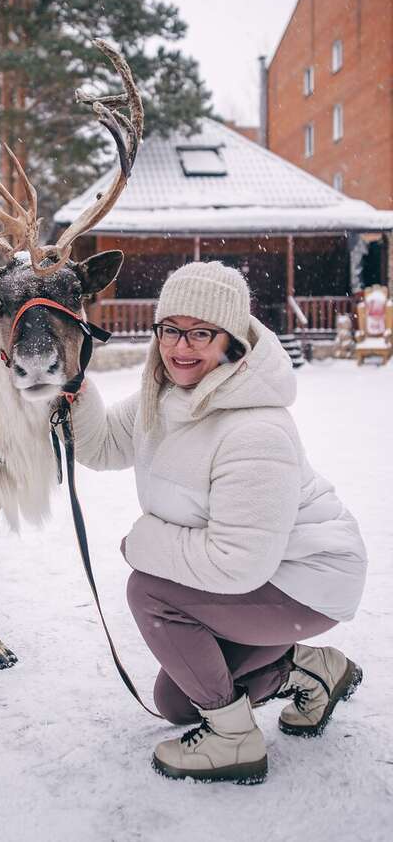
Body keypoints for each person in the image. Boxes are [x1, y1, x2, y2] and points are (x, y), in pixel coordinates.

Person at [71, 260, 366, 785]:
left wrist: (143, 542)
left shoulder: (255, 430)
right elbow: (100, 446)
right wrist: (71, 385)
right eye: (171, 330)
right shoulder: (162, 398)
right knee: (179, 701)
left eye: (201, 333)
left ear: (232, 340)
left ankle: (234, 740)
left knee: (150, 591)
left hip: (305, 581)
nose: (181, 347)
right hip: (258, 577)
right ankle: (309, 668)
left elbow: (236, 566)